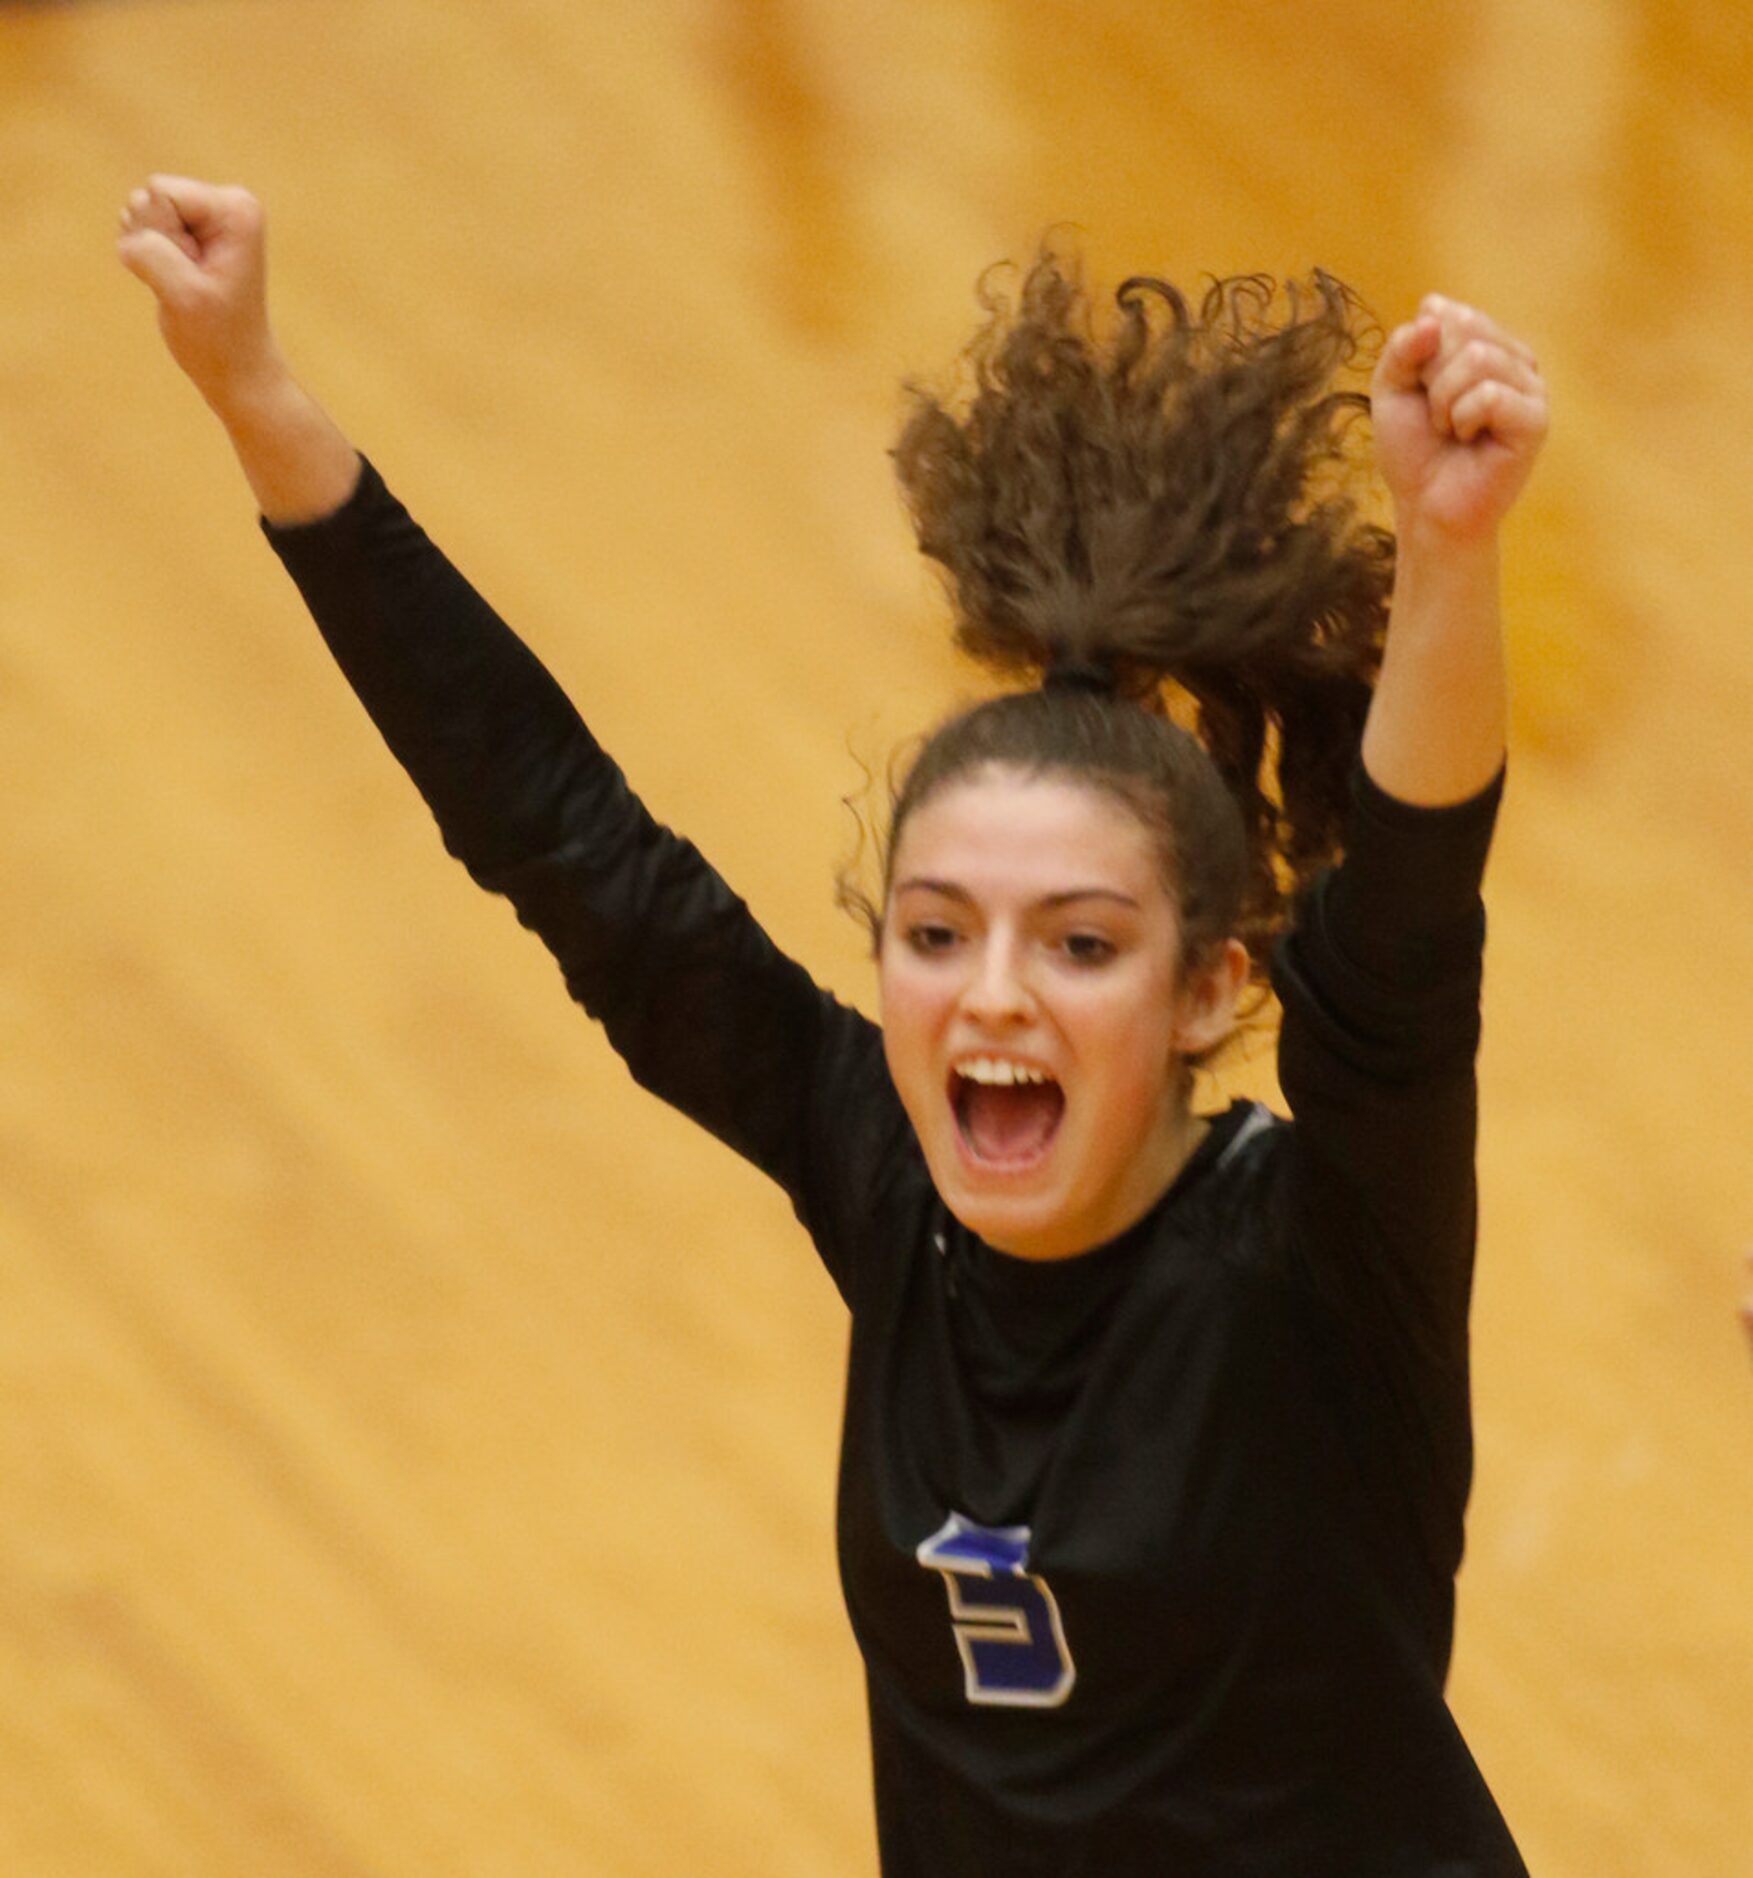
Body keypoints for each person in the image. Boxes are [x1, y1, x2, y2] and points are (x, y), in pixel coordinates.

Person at [118, 174, 1548, 1875]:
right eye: (936, 931)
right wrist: (258, 396)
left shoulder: (1321, 1253)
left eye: (1080, 942)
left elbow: (1398, 945)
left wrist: (1450, 548)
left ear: (1207, 992)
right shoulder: (885, 1178)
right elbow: (559, 835)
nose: (993, 988)